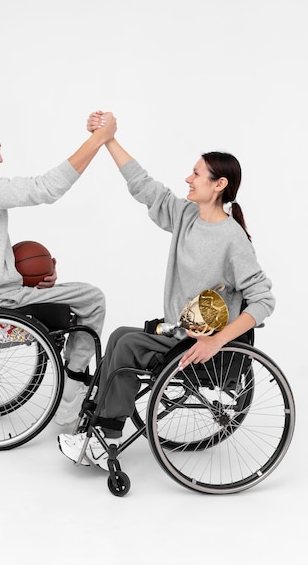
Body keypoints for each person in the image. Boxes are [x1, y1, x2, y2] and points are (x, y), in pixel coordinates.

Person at [58, 111, 275, 469]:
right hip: (181, 332)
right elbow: (144, 186)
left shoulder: (232, 240)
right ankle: (97, 426)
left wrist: (215, 341)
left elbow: (264, 300)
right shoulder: (187, 215)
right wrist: (108, 138)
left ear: (219, 185)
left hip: (207, 347)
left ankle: (106, 438)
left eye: (196, 174)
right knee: (119, 336)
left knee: (128, 344)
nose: (187, 179)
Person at [0, 115, 117, 425]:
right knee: (93, 298)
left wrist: (32, 275)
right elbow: (45, 189)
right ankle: (73, 382)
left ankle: (73, 376)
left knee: (70, 290)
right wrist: (97, 140)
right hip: (2, 301)